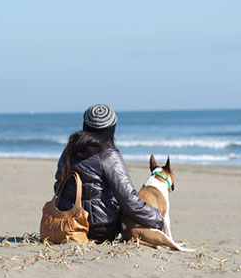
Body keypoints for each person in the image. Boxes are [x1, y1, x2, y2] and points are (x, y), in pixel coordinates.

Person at [54, 104, 164, 242]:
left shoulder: (70, 149)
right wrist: (158, 218)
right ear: (111, 129)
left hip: (65, 223)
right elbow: (129, 200)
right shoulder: (109, 155)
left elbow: (58, 185)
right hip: (98, 229)